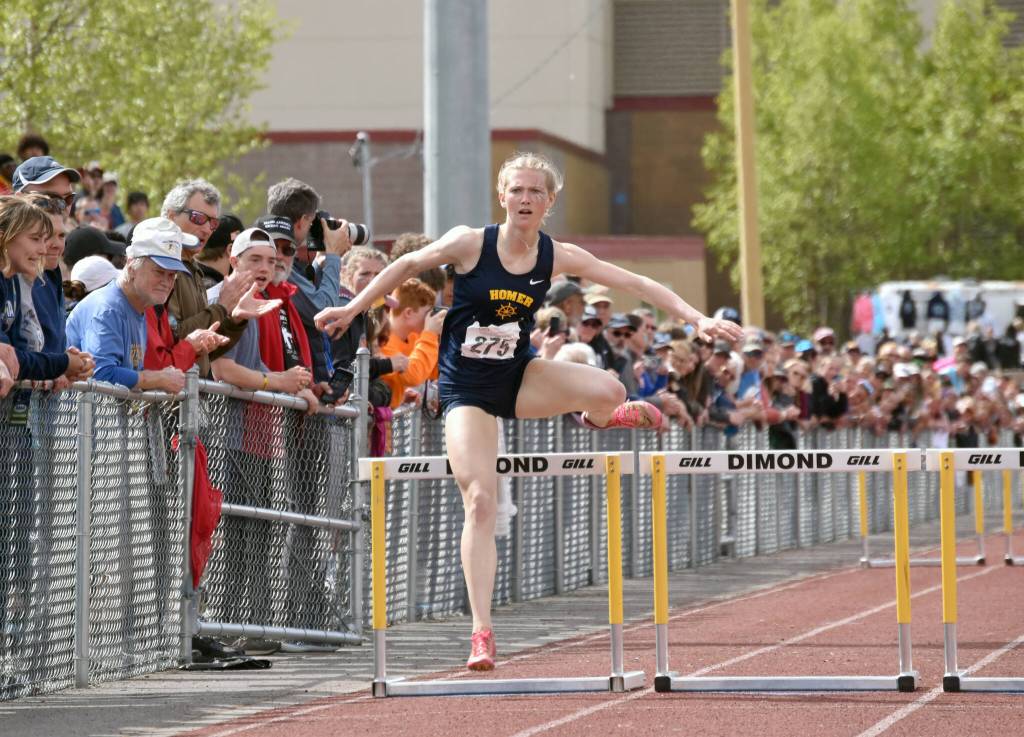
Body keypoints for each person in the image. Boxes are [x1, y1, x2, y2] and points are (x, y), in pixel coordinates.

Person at [314, 151, 741, 671]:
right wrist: (352, 309)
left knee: (609, 388)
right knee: (480, 501)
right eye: (516, 189)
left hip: (518, 378)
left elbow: (635, 283)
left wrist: (697, 318)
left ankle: (600, 418)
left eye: (535, 191)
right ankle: (481, 632)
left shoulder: (555, 255)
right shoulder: (472, 243)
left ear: (549, 202)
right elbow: (406, 264)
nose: (524, 199)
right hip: (466, 389)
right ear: (502, 196)